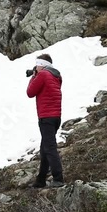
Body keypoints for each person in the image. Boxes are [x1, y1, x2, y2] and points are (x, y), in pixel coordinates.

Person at [26, 53, 64, 188]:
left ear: (41, 65)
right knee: (44, 148)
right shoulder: (56, 76)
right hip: (56, 117)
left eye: (37, 65)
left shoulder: (42, 75)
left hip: (46, 117)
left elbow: (30, 92)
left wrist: (34, 76)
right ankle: (40, 180)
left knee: (49, 148)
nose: (35, 67)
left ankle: (58, 178)